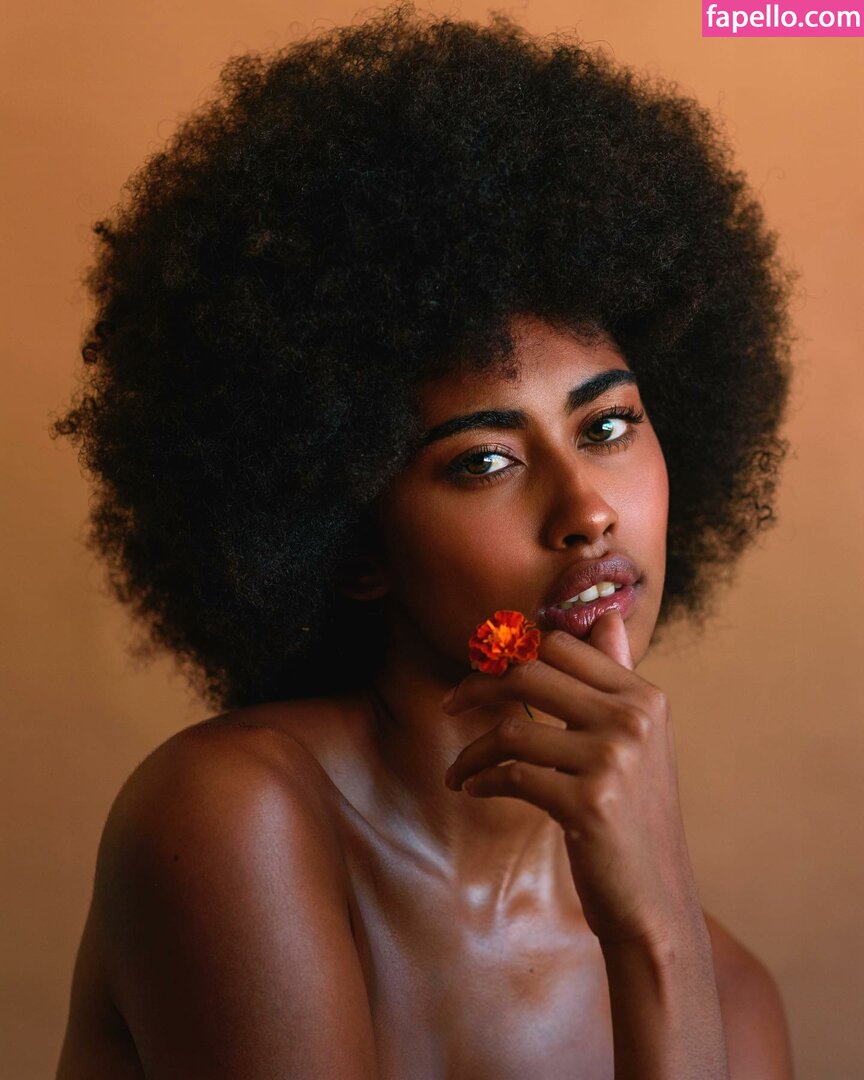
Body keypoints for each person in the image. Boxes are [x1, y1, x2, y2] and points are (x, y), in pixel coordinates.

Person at [51, 4, 797, 1076]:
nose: (587, 510)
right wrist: (658, 940)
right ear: (355, 546)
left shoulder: (733, 997)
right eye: (483, 461)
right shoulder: (232, 820)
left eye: (608, 426)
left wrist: (659, 931)